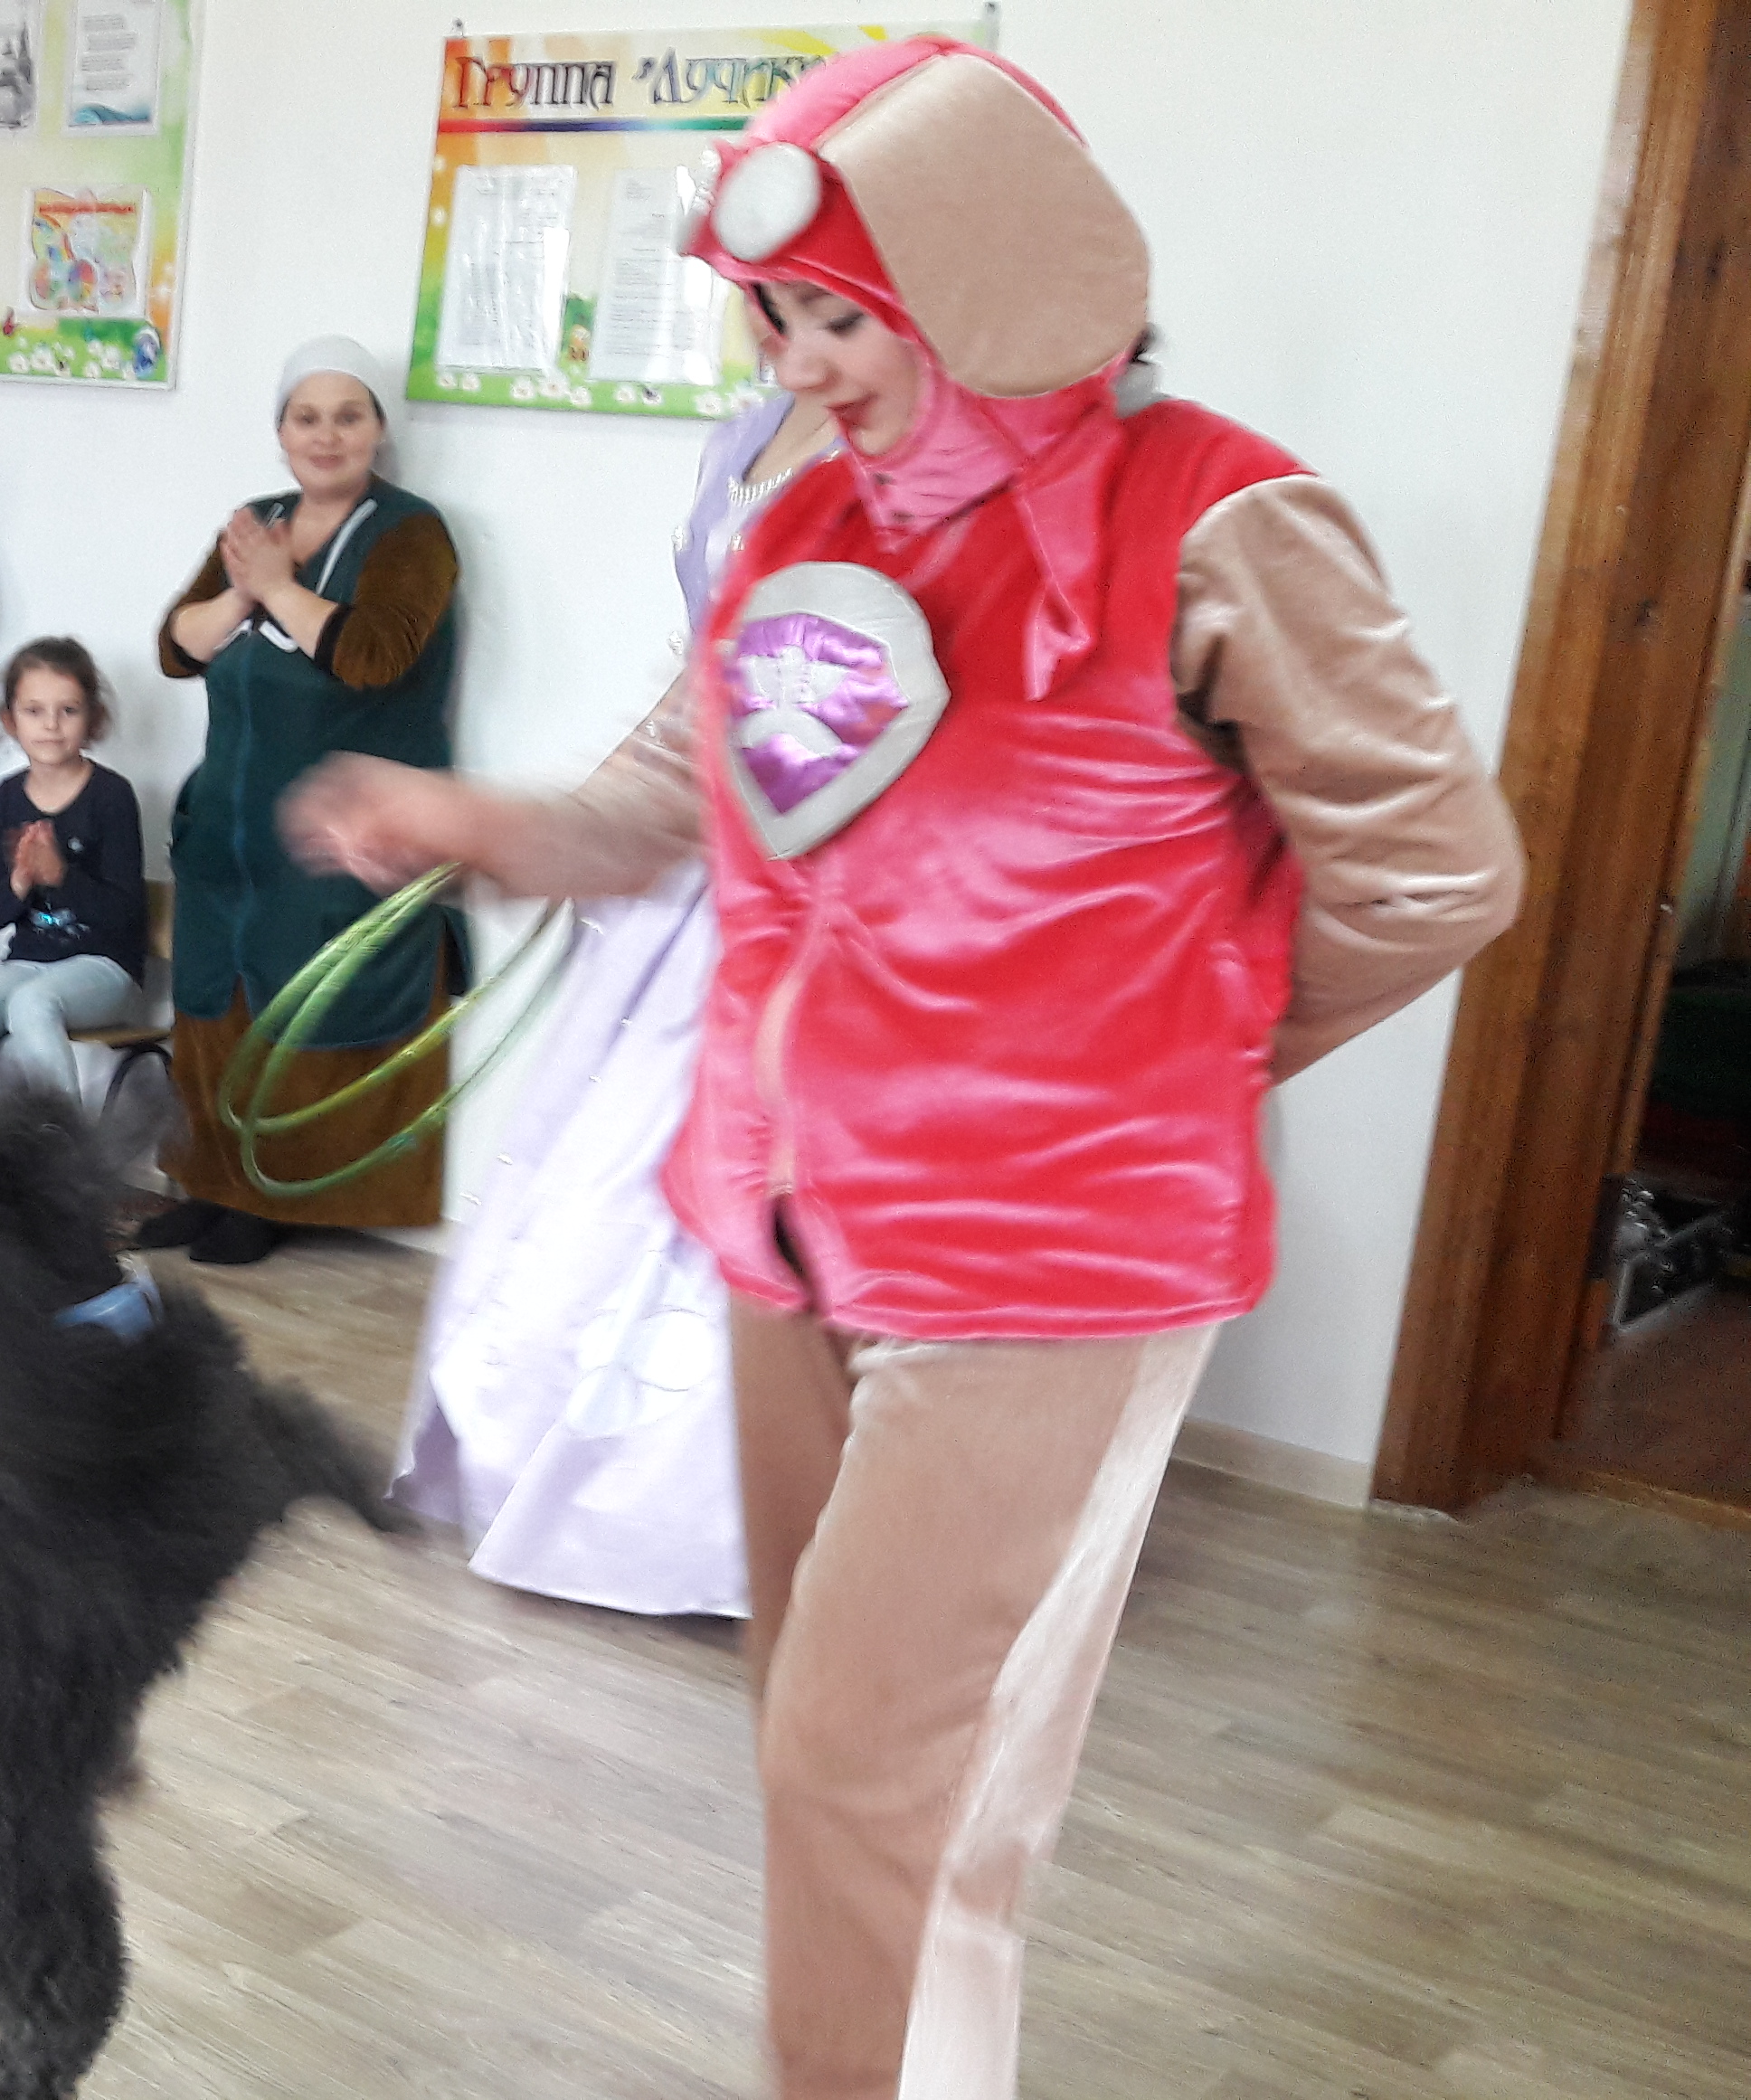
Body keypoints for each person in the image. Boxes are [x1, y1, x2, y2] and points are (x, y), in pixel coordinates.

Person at [279, 41, 1524, 2097]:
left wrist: (1179, 1059)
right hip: (783, 1230)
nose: (796, 364)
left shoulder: (1222, 516)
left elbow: (1433, 871)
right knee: (847, 1749)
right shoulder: (801, 520)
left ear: (985, 271)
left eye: (835, 316)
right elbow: (655, 811)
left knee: (873, 1766)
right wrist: (464, 820)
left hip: (1048, 1259)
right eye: (771, 317)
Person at [391, 386, 838, 1622]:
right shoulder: (744, 435)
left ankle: (718, 1531)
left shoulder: (908, 439)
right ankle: (572, 1492)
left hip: (793, 882)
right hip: (685, 865)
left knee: (723, 1188)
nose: (784, 332)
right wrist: (569, 821)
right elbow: (699, 672)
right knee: (603, 1172)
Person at [145, 336, 464, 1267]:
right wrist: (245, 596)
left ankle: (269, 1198)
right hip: (232, 829)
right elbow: (176, 645)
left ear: (379, 428)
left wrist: (277, 589)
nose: (326, 436)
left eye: (348, 417)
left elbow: (374, 656)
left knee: (306, 1009)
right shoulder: (259, 522)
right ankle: (211, 1183)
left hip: (341, 833)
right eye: (307, 417)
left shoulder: (412, 535)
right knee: (215, 1005)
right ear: (281, 431)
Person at [0, 639, 146, 1106]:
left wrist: (61, 875)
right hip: (28, 962)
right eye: (34, 711)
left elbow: (126, 915)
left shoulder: (111, 796)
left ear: (92, 719)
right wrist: (20, 880)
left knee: (31, 1005)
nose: (51, 725)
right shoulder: (4, 800)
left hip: (105, 968)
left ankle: (60, 1144)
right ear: (9, 721)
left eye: (68, 710)